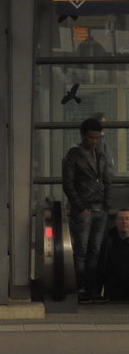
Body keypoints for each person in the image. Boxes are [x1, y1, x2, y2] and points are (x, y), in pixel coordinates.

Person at [61, 117, 113, 303]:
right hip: (84, 209)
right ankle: (81, 289)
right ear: (83, 135)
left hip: (99, 209)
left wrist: (107, 206)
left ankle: (91, 290)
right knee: (82, 251)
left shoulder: (99, 155)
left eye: (97, 138)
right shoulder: (73, 155)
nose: (94, 141)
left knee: (94, 251)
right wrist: (80, 207)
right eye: (91, 138)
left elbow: (107, 179)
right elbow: (68, 183)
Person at [103, 210, 129, 301]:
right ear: (116, 222)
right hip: (114, 288)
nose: (124, 222)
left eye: (127, 219)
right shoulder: (108, 240)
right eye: (121, 219)